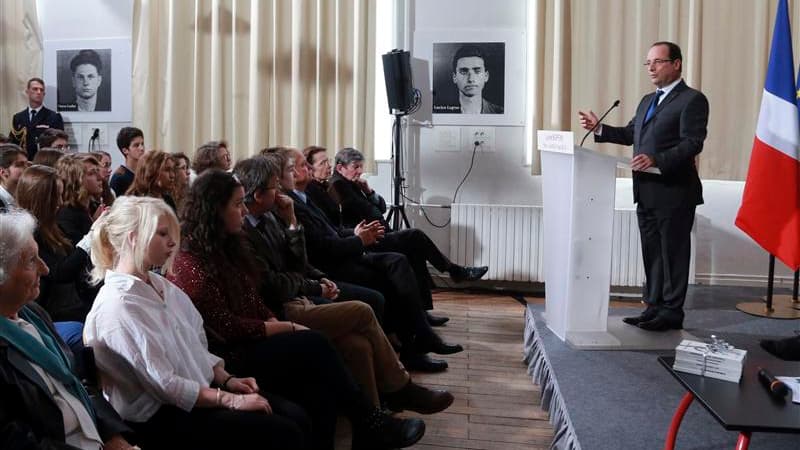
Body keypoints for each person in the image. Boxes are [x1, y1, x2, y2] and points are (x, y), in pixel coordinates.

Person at [169, 169, 426, 449]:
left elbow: (254, 296)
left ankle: (370, 428)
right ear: (214, 210)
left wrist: (274, 319)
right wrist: (285, 327)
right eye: (237, 204)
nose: (243, 211)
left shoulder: (227, 244)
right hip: (231, 354)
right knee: (319, 338)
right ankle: (374, 417)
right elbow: (226, 327)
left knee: (354, 345)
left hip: (260, 330)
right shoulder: (190, 261)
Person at [83, 196, 309, 449]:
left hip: (195, 396)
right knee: (284, 431)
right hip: (161, 416)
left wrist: (226, 379)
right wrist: (228, 399)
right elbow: (164, 384)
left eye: (172, 233)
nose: (172, 242)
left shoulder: (160, 285)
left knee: (295, 415)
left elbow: (194, 345)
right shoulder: (119, 305)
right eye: (162, 234)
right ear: (133, 238)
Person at [234, 155, 455, 410]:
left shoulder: (276, 215)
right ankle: (402, 381)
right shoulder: (248, 230)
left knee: (358, 343)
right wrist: (317, 282)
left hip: (310, 281)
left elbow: (302, 259)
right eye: (279, 181)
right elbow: (277, 283)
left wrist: (315, 271)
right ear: (260, 194)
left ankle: (375, 418)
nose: (292, 177)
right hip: (284, 304)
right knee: (370, 299)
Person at [281, 147, 463, 373]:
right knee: (398, 262)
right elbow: (324, 245)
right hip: (333, 265)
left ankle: (419, 336)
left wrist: (365, 203)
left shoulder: (307, 195)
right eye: (302, 166)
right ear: (285, 174)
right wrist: (358, 238)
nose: (310, 169)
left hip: (351, 245)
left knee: (401, 258)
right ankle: (419, 335)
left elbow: (370, 212)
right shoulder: (312, 194)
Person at [578, 41, 708, 332]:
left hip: (674, 191)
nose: (650, 67)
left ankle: (672, 312)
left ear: (676, 64)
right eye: (648, 62)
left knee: (673, 253)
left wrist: (656, 159)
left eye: (658, 62)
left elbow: (692, 143)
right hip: (646, 190)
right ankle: (653, 306)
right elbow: (629, 133)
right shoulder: (648, 100)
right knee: (652, 252)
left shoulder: (692, 99)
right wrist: (599, 128)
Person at [0, 209, 134, 450]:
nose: (45, 269)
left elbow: (79, 381)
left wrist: (114, 436)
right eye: (31, 261)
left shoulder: (35, 315)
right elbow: (15, 441)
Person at [435, 45, 503, 114]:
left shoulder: (500, 113)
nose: (471, 79)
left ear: (486, 76)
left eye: (477, 71)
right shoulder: (439, 112)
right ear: (454, 77)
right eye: (464, 72)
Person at [9, 77, 65, 159]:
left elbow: (60, 143)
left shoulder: (54, 117)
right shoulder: (18, 117)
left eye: (41, 90)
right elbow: (13, 143)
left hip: (45, 161)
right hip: (23, 161)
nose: (39, 92)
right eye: (35, 89)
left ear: (44, 94)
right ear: (27, 92)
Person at [55, 154, 105, 245]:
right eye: (91, 173)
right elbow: (79, 252)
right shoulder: (66, 216)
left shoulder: (94, 206)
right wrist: (96, 225)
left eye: (97, 171)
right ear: (76, 180)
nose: (100, 178)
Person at [109, 127, 145, 196]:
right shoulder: (119, 178)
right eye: (136, 145)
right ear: (125, 150)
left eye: (142, 144)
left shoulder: (145, 174)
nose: (142, 148)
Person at [0, 144, 30, 209]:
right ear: (2, 171)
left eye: (27, 164)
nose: (27, 168)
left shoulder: (27, 195)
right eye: (20, 165)